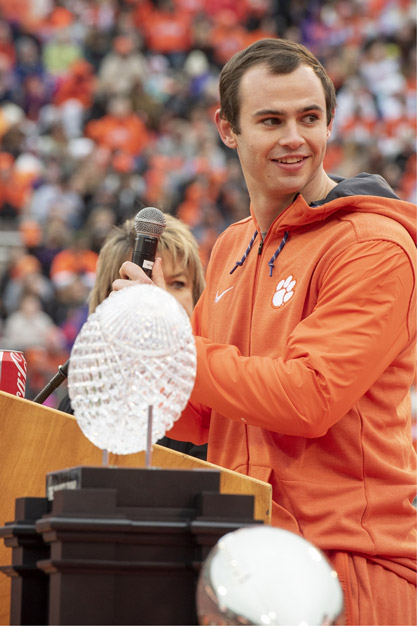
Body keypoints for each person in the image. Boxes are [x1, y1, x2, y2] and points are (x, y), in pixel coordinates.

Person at [113, 38, 417, 625]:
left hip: (350, 566)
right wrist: (132, 352)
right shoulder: (230, 246)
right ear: (228, 129)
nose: (294, 139)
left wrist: (171, 343)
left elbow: (309, 398)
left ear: (331, 120)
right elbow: (201, 416)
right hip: (246, 566)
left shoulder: (373, 245)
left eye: (309, 118)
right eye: (271, 121)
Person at [59, 212, 207, 460]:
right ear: (110, 297)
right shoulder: (82, 403)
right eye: (140, 282)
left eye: (178, 284)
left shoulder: (211, 399)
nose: (161, 295)